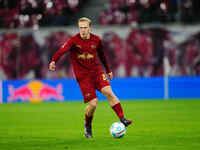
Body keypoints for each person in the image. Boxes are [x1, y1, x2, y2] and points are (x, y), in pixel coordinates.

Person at [49, 17, 132, 138]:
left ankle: (122, 119)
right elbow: (62, 50)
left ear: (89, 28)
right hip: (83, 76)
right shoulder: (73, 41)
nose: (82, 30)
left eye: (85, 27)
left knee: (109, 92)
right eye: (80, 28)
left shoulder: (96, 40)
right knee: (93, 104)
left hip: (97, 72)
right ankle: (87, 126)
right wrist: (53, 61)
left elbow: (102, 55)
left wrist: (108, 70)